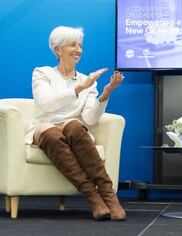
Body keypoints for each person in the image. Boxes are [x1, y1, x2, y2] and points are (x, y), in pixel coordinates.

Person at [25, 26, 126, 221]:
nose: (78, 49)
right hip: (44, 127)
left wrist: (106, 93)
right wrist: (79, 88)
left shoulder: (87, 81)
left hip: (73, 129)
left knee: (74, 125)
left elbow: (90, 119)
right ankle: (92, 196)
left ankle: (109, 195)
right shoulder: (42, 73)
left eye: (80, 45)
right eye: (72, 45)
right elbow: (47, 103)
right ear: (57, 50)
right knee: (52, 133)